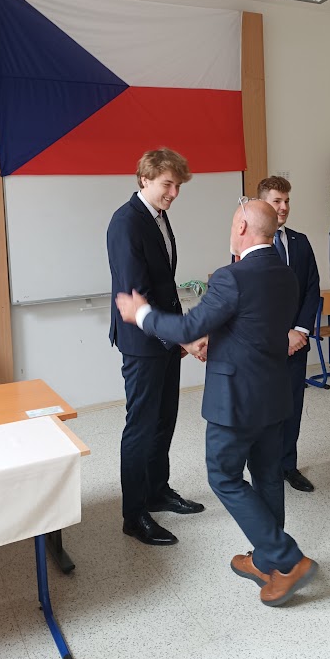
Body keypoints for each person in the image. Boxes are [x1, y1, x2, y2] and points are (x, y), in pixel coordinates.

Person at [116, 199, 319, 606]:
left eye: (231, 223)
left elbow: (189, 326)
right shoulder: (285, 273)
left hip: (236, 401)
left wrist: (141, 314)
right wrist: (216, 339)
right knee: (266, 476)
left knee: (224, 476)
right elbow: (253, 327)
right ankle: (267, 559)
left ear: (243, 227)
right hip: (273, 394)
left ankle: (287, 558)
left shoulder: (232, 277)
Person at [107, 148, 206, 546]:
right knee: (141, 427)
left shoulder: (159, 216)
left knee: (165, 419)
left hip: (165, 336)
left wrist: (176, 332)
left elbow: (165, 285)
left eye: (178, 186)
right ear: (144, 179)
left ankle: (157, 491)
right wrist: (178, 335)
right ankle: (134, 515)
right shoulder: (126, 222)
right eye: (168, 184)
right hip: (143, 340)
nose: (174, 193)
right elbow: (137, 294)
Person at [257, 175, 320, 492]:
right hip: (265, 346)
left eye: (286, 201)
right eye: (276, 201)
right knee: (266, 410)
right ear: (262, 204)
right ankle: (265, 469)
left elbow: (312, 289)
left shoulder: (300, 242)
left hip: (298, 343)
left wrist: (299, 331)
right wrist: (281, 334)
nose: (283, 207)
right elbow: (252, 298)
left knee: (292, 406)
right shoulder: (250, 243)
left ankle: (288, 466)